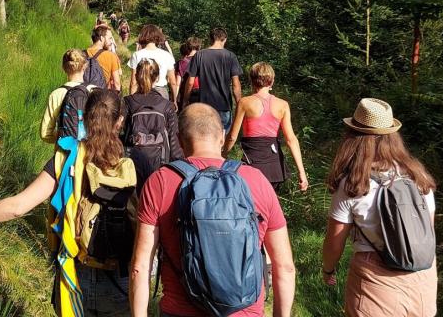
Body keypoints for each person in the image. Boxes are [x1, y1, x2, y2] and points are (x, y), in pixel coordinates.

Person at [0, 89, 135, 317]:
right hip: (120, 277)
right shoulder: (136, 163)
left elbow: (18, 207)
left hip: (74, 275)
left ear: (84, 116)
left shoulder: (66, 158)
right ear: (120, 121)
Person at [129, 103, 295, 317]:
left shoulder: (160, 182)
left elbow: (140, 268)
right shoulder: (256, 180)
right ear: (223, 136)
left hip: (180, 310)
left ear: (179, 140)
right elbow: (285, 267)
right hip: (245, 312)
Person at [321, 98, 437, 317]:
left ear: (353, 137)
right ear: (393, 137)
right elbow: (426, 232)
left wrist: (328, 270)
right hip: (423, 283)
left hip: (375, 284)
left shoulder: (354, 184)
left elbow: (334, 242)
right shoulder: (418, 176)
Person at [222, 62, 309, 192]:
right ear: (272, 81)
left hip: (252, 163)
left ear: (251, 80)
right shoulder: (283, 105)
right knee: (270, 204)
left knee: (251, 204)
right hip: (274, 166)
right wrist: (301, 172)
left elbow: (232, 137)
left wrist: (221, 156)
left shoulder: (244, 102)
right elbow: (291, 139)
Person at [123, 58, 183, 191]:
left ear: (137, 77)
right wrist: (179, 167)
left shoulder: (127, 102)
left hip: (132, 164)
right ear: (157, 78)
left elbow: (121, 134)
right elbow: (173, 140)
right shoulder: (167, 106)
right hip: (160, 164)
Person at [183, 28, 242, 132]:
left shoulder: (199, 55)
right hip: (224, 105)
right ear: (225, 39)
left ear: (210, 39)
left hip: (205, 106)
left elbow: (190, 82)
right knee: (221, 138)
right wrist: (239, 104)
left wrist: (185, 100)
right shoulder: (230, 56)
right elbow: (236, 85)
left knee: (205, 138)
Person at [40, 49, 94, 144]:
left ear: (63, 67)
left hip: (65, 154)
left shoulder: (56, 94)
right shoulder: (94, 91)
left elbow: (45, 133)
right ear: (85, 66)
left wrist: (63, 136)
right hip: (91, 153)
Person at [127, 24, 177, 103]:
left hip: (142, 91)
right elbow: (173, 82)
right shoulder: (167, 55)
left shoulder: (137, 55)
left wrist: (132, 100)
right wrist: (174, 100)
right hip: (161, 93)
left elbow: (133, 82)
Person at [88, 25, 122, 90]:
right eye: (110, 38)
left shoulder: (82, 54)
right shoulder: (111, 56)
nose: (111, 42)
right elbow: (117, 84)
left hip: (85, 95)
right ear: (101, 38)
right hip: (102, 96)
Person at [175, 37, 201, 109]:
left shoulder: (181, 63)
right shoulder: (204, 60)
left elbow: (178, 83)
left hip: (185, 95)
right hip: (201, 95)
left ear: (187, 47)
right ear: (199, 47)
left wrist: (174, 99)